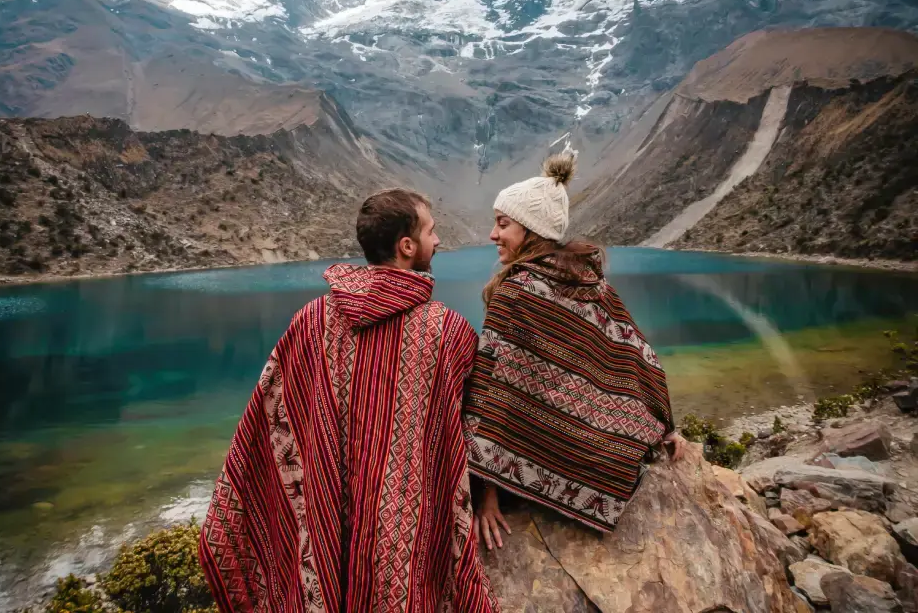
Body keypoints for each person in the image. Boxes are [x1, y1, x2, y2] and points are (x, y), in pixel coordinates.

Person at [199, 189, 499, 612]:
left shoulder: (310, 321)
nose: (438, 240)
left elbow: (268, 416)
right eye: (431, 232)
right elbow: (479, 419)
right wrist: (488, 496)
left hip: (325, 518)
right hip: (403, 537)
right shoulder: (447, 332)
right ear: (406, 246)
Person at [464, 153, 687, 550]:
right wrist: (664, 424)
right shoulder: (591, 281)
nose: (493, 235)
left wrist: (486, 495)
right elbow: (639, 355)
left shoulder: (514, 293)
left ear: (531, 229)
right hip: (603, 462)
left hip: (540, 455)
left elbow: (489, 396)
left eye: (503, 224)